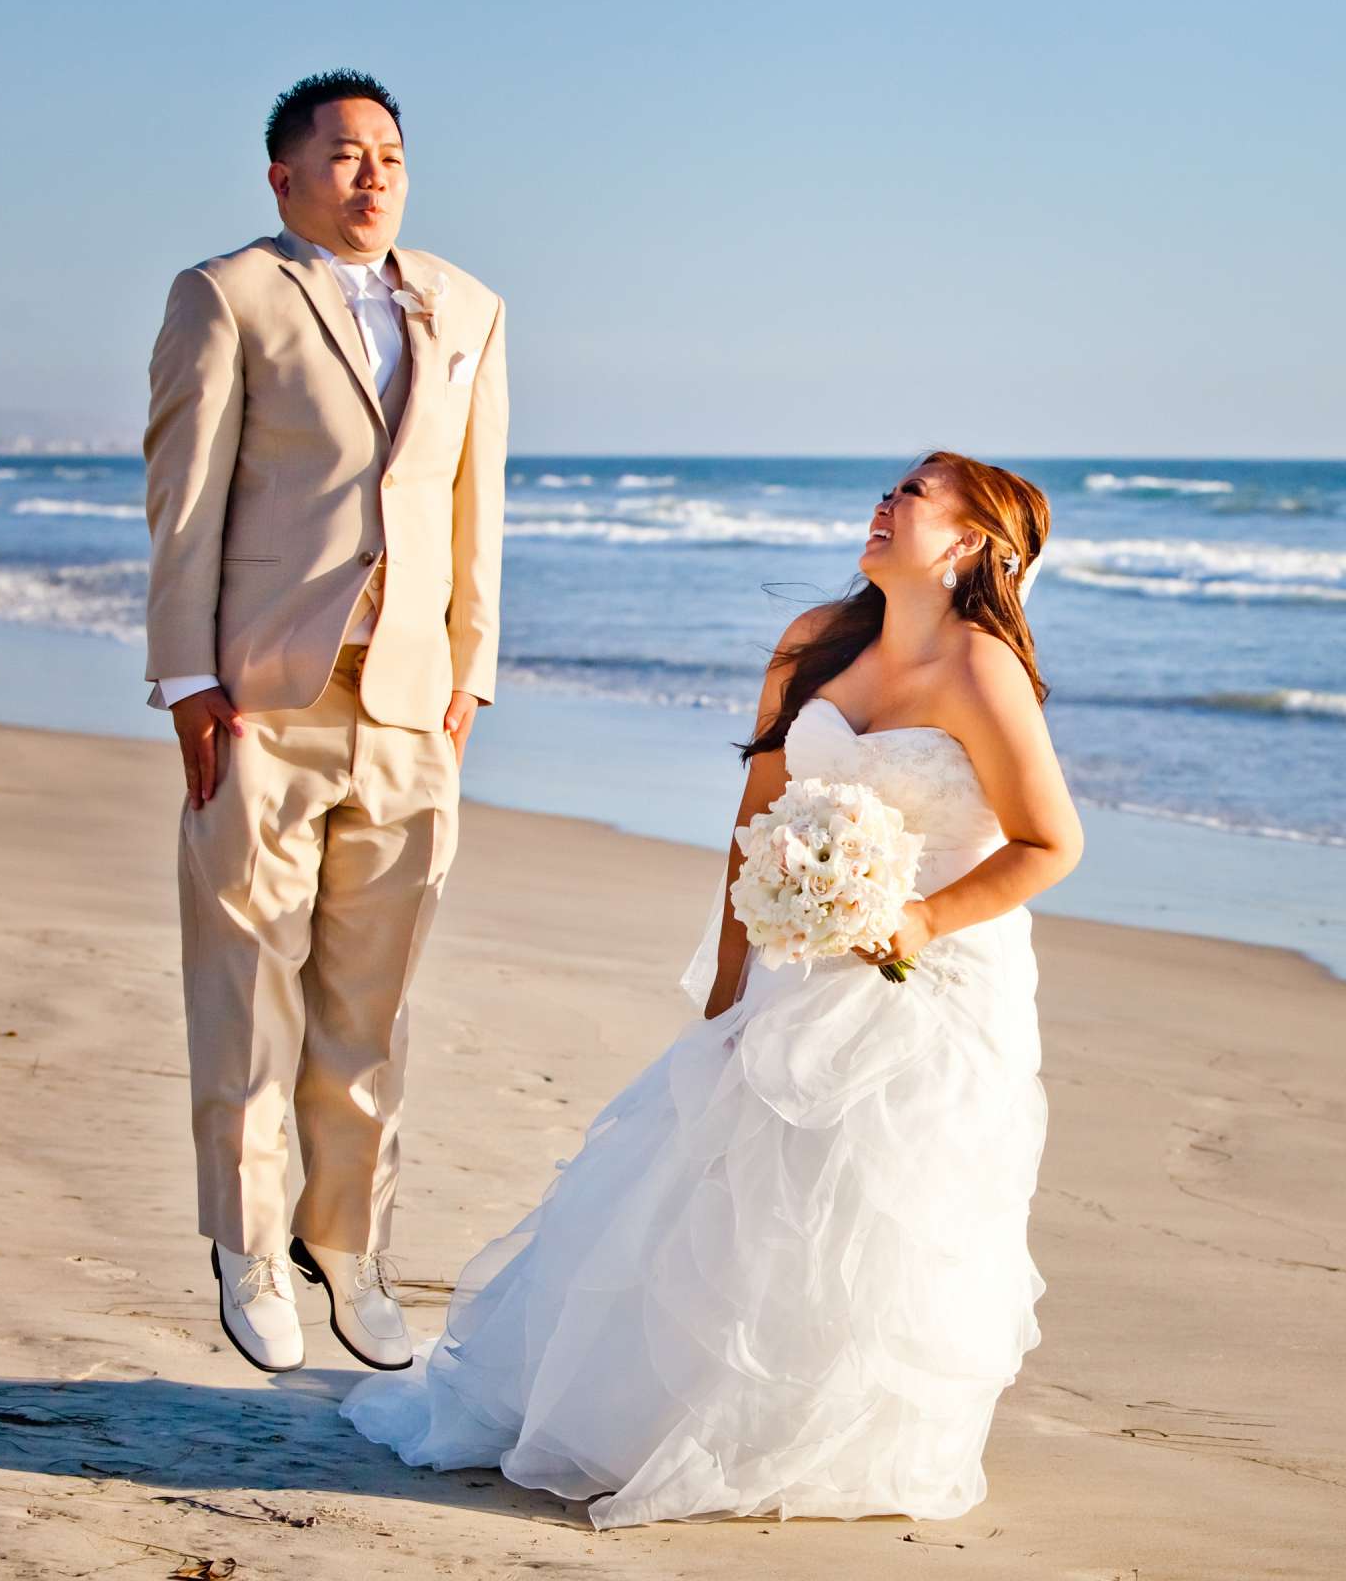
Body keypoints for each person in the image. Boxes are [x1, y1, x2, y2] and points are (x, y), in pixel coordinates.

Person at [341, 451, 1083, 1527]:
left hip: (936, 978)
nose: (885, 499)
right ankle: (661, 1418)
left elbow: (1049, 843)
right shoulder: (815, 644)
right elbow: (757, 826)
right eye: (889, 485)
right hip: (802, 961)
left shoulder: (983, 672)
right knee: (729, 1185)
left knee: (874, 1202)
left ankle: (813, 1433)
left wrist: (913, 918)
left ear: (971, 542)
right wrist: (729, 997)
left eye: (916, 494)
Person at [140, 68, 508, 1374]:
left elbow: (479, 505)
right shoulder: (229, 294)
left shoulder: (468, 306)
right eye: (346, 154)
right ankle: (245, 1242)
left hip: (412, 710)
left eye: (392, 154)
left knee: (372, 1002)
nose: (374, 174)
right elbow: (184, 497)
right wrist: (187, 678)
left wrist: (475, 673)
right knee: (245, 988)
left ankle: (344, 1243)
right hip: (261, 704)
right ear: (284, 175)